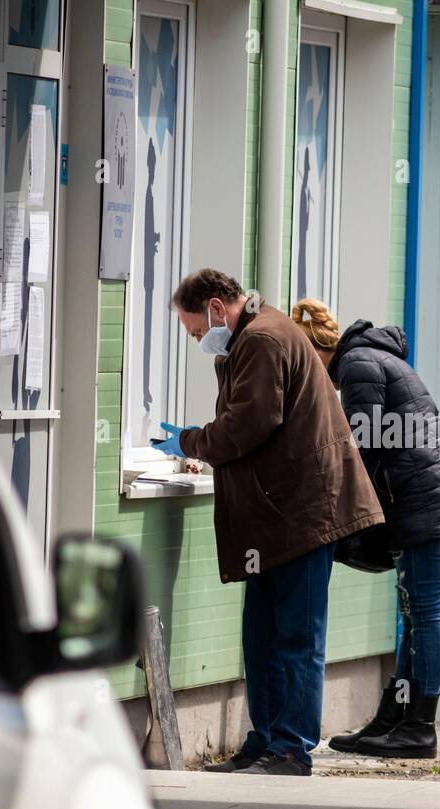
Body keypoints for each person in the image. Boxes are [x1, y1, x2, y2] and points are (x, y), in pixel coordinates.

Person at [154, 270, 384, 776]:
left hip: (304, 514)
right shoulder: (255, 336)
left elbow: (250, 423)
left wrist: (191, 441)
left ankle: (291, 749)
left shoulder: (262, 339)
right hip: (278, 517)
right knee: (261, 635)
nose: (198, 341)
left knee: (297, 637)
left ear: (218, 307)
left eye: (196, 331)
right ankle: (265, 740)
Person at [288, 299, 440, 758]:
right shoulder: (370, 357)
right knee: (413, 614)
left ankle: (420, 728)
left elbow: (363, 445)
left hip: (423, 505)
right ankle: (394, 719)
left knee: (424, 613)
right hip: (423, 500)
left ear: (315, 350)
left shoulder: (357, 364)